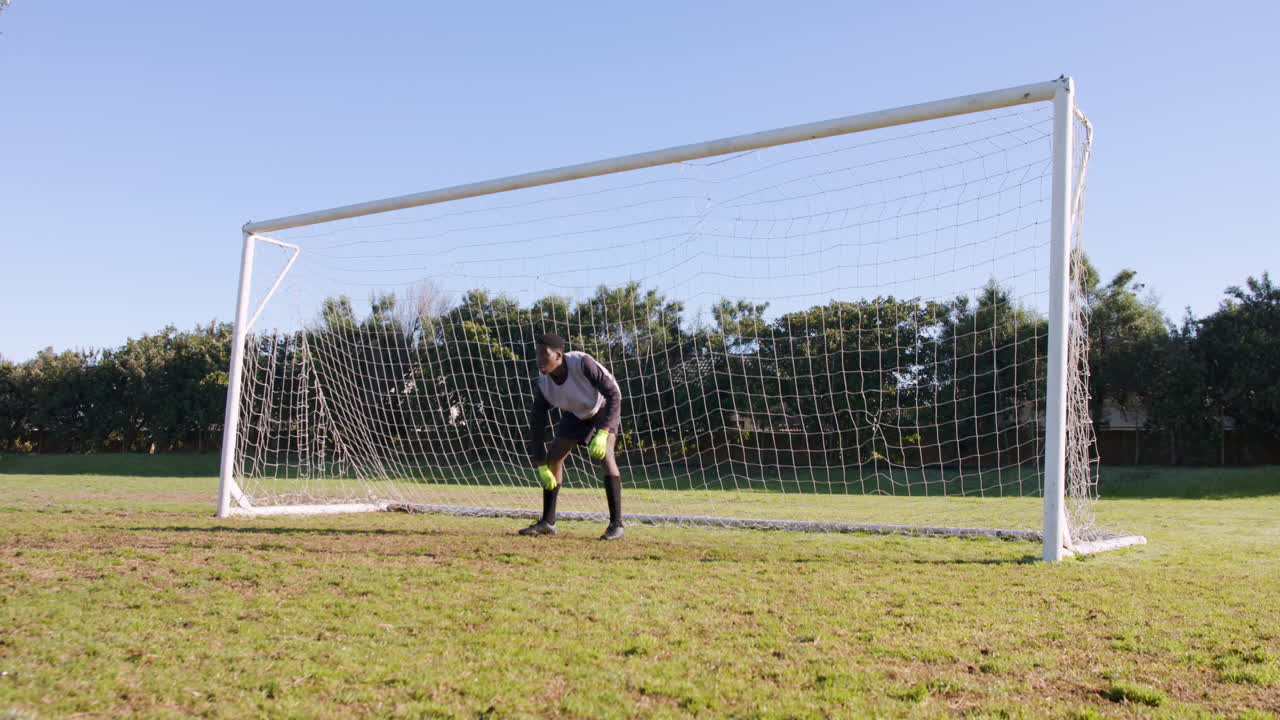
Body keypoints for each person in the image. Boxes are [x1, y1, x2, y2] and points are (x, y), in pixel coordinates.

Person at [520, 333, 624, 540]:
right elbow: (537, 425)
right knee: (554, 458)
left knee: (606, 455)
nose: (539, 359)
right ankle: (548, 523)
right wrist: (541, 464)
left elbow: (613, 394)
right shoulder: (543, 384)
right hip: (576, 413)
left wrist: (603, 432)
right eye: (536, 354)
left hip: (603, 406)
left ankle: (617, 525)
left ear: (558, 355)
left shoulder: (582, 363)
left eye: (544, 354)